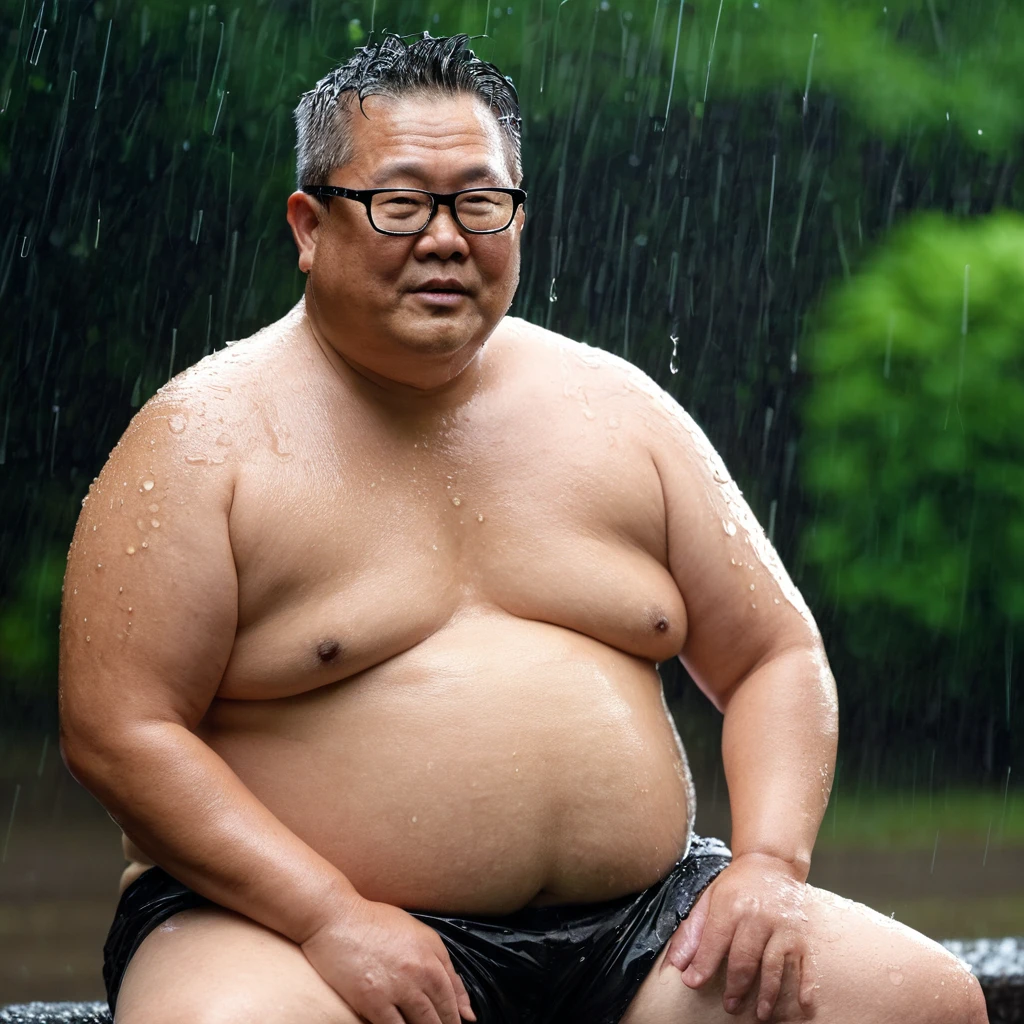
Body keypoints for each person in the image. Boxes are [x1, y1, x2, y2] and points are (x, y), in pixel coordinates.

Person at [58, 31, 987, 1024]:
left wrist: (767, 862)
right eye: (401, 201)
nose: (446, 238)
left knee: (916, 997)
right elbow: (120, 732)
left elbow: (775, 654)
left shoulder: (619, 410)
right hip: (278, 928)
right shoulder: (202, 439)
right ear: (309, 224)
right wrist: (329, 913)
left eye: (481, 201)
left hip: (643, 926)